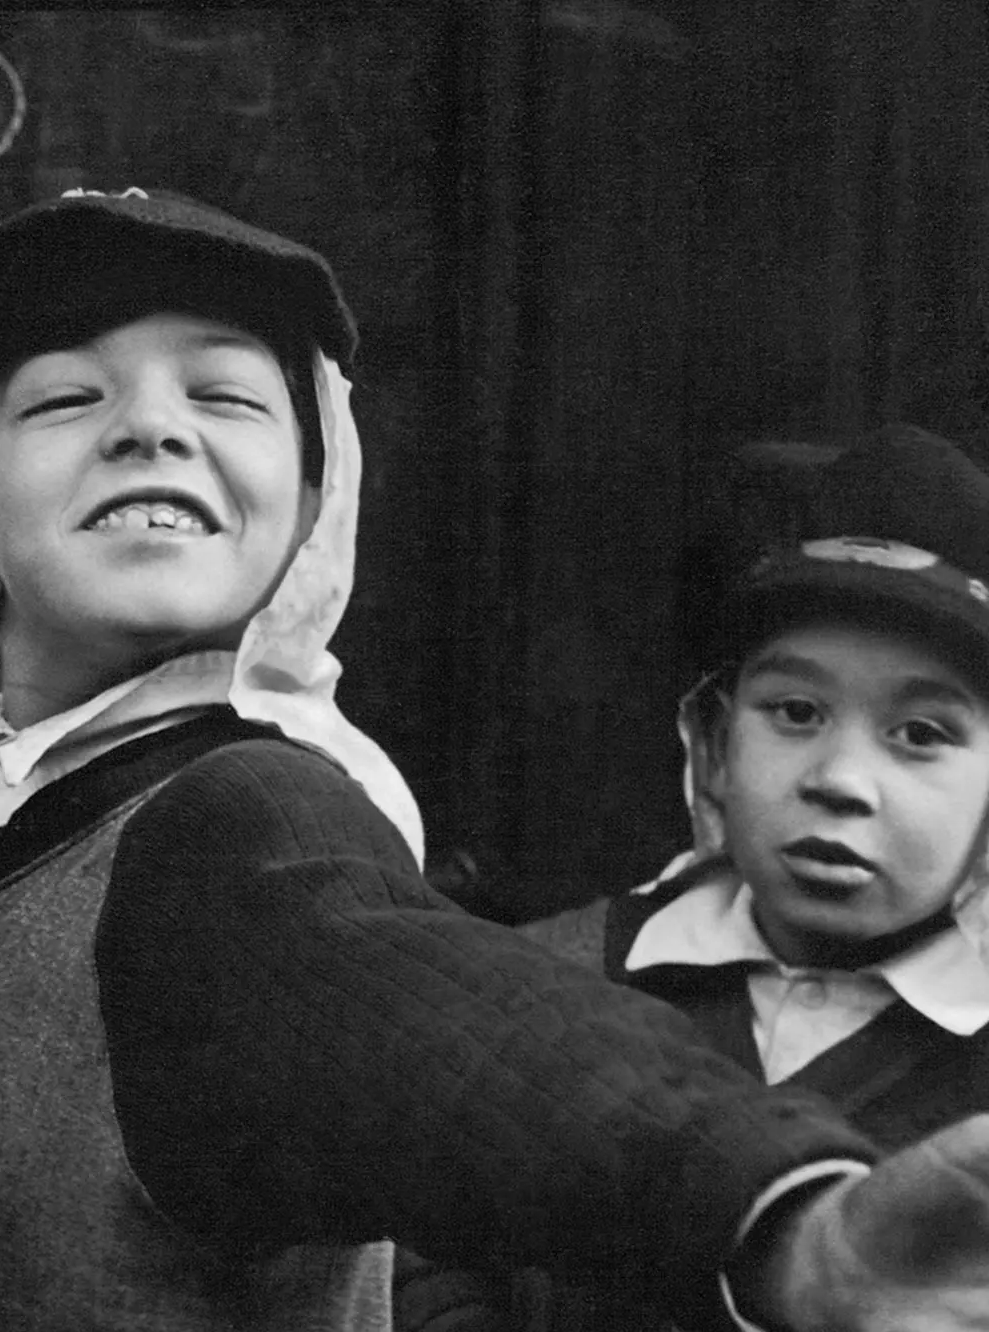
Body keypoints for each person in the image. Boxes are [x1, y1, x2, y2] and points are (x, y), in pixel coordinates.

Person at [0, 186, 989, 1332]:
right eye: (68, 397)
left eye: (226, 395)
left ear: (308, 523)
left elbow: (449, 1024)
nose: (151, 423)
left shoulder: (235, 822)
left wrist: (779, 1215)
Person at [403, 423, 989, 1332]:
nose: (838, 780)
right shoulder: (538, 982)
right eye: (795, 712)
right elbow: (412, 1259)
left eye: (921, 735)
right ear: (712, 748)